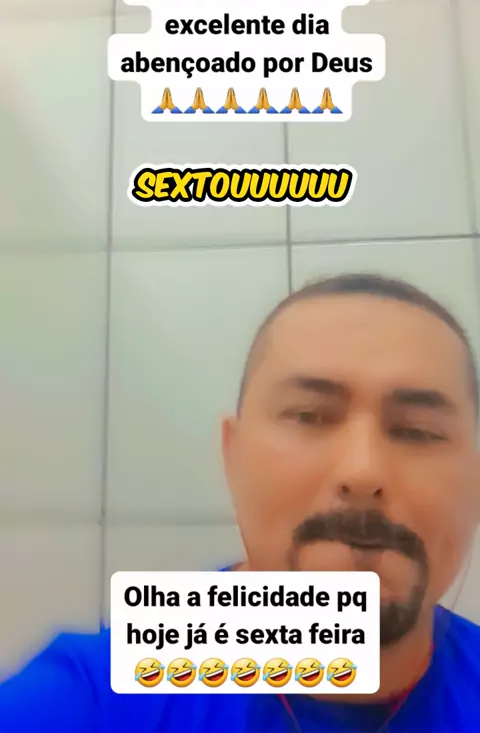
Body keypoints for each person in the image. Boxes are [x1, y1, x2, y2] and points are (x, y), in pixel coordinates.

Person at [1, 272, 479, 732]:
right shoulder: (91, 702)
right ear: (234, 459)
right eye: (310, 416)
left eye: (418, 431)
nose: (363, 471)